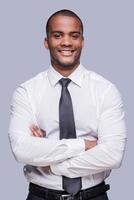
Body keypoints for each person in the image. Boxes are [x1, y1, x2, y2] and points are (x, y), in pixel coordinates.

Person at [9, 9, 127, 200]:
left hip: (94, 196)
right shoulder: (26, 92)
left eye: (74, 36)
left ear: (82, 41)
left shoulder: (105, 90)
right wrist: (84, 145)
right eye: (57, 35)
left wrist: (51, 162)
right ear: (46, 42)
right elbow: (21, 149)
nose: (66, 42)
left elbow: (113, 155)